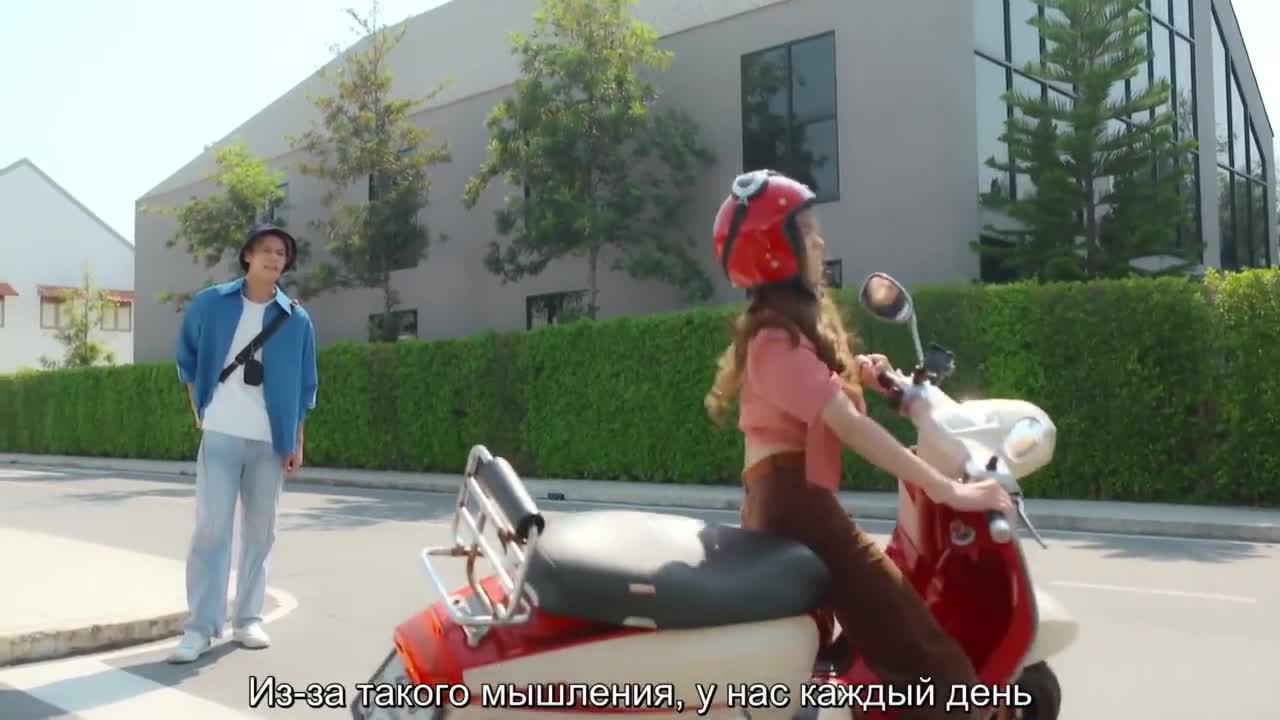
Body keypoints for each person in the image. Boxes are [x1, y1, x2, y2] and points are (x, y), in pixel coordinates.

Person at [704, 170, 1012, 719]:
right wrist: (949, 491)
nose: (821, 242)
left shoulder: (785, 332)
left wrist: (865, 373)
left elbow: (821, 391)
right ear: (777, 252)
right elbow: (846, 424)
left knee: (875, 643)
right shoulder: (774, 340)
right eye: (808, 233)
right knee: (938, 672)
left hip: (790, 499)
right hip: (795, 505)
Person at [168, 223, 318, 663]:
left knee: (260, 531)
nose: (275, 258)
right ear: (247, 255)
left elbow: (305, 385)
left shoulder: (296, 318)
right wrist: (198, 406)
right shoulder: (211, 303)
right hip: (221, 432)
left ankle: (249, 618)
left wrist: (296, 441)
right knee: (211, 529)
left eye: (282, 253)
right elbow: (186, 356)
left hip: (270, 440)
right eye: (266, 250)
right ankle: (199, 628)